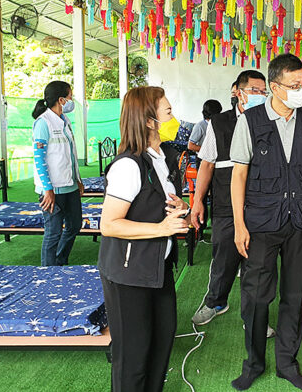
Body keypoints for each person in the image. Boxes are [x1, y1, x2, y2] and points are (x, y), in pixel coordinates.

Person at [230, 53, 302, 391]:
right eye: (295, 85)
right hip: (261, 222)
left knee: (294, 294)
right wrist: (239, 224)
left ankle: (287, 363)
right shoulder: (251, 121)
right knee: (256, 296)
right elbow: (239, 174)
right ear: (275, 87)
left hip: (301, 220)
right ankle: (253, 363)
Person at [98, 86, 190, 392]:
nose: (174, 118)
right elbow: (109, 224)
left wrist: (181, 209)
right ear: (150, 121)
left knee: (160, 345)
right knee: (133, 357)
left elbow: (157, 206)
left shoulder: (163, 158)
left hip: (157, 269)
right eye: (168, 112)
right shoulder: (128, 165)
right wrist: (162, 229)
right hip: (128, 274)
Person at [190, 71, 276, 341]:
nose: (260, 96)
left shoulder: (270, 121)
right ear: (238, 92)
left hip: (261, 205)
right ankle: (216, 301)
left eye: (263, 91)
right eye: (254, 90)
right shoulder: (219, 123)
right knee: (224, 258)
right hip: (226, 205)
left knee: (257, 265)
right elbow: (207, 164)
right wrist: (197, 200)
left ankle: (254, 318)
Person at [31, 80, 83, 267]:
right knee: (53, 232)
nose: (72, 100)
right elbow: (39, 159)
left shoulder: (65, 121)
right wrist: (47, 189)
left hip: (69, 185)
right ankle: (48, 271)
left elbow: (70, 154)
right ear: (61, 100)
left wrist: (78, 179)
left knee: (74, 225)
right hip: (52, 189)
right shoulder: (43, 123)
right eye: (70, 96)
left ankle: (59, 261)